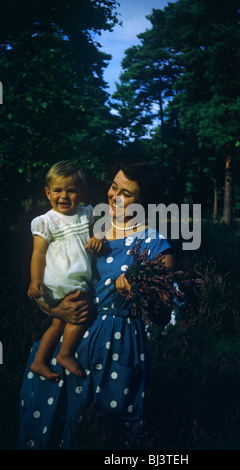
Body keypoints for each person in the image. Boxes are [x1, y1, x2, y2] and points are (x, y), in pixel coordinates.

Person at [18, 159, 174, 450]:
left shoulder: (155, 244)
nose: (115, 196)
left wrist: (138, 293)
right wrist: (55, 310)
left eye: (126, 194)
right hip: (64, 346)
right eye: (114, 187)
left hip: (116, 350)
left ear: (144, 202)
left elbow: (164, 314)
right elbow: (50, 284)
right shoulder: (87, 225)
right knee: (51, 430)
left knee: (106, 437)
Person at [27, 161, 102, 381]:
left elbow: (96, 231)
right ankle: (65, 354)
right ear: (48, 192)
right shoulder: (46, 222)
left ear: (82, 192)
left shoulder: (86, 213)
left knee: (58, 322)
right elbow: (38, 254)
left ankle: (39, 362)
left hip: (76, 277)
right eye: (58, 191)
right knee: (79, 315)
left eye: (71, 191)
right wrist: (35, 280)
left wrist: (97, 237)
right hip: (62, 279)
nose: (64, 196)